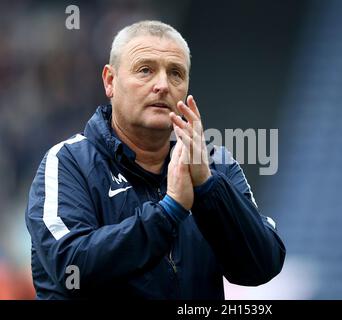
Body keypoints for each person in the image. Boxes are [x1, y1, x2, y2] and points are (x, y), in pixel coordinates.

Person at [25, 20, 286, 299]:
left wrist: (209, 190)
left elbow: (263, 265)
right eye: (145, 70)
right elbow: (70, 269)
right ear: (110, 81)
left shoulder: (215, 164)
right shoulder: (69, 162)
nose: (162, 85)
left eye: (176, 73)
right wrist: (168, 212)